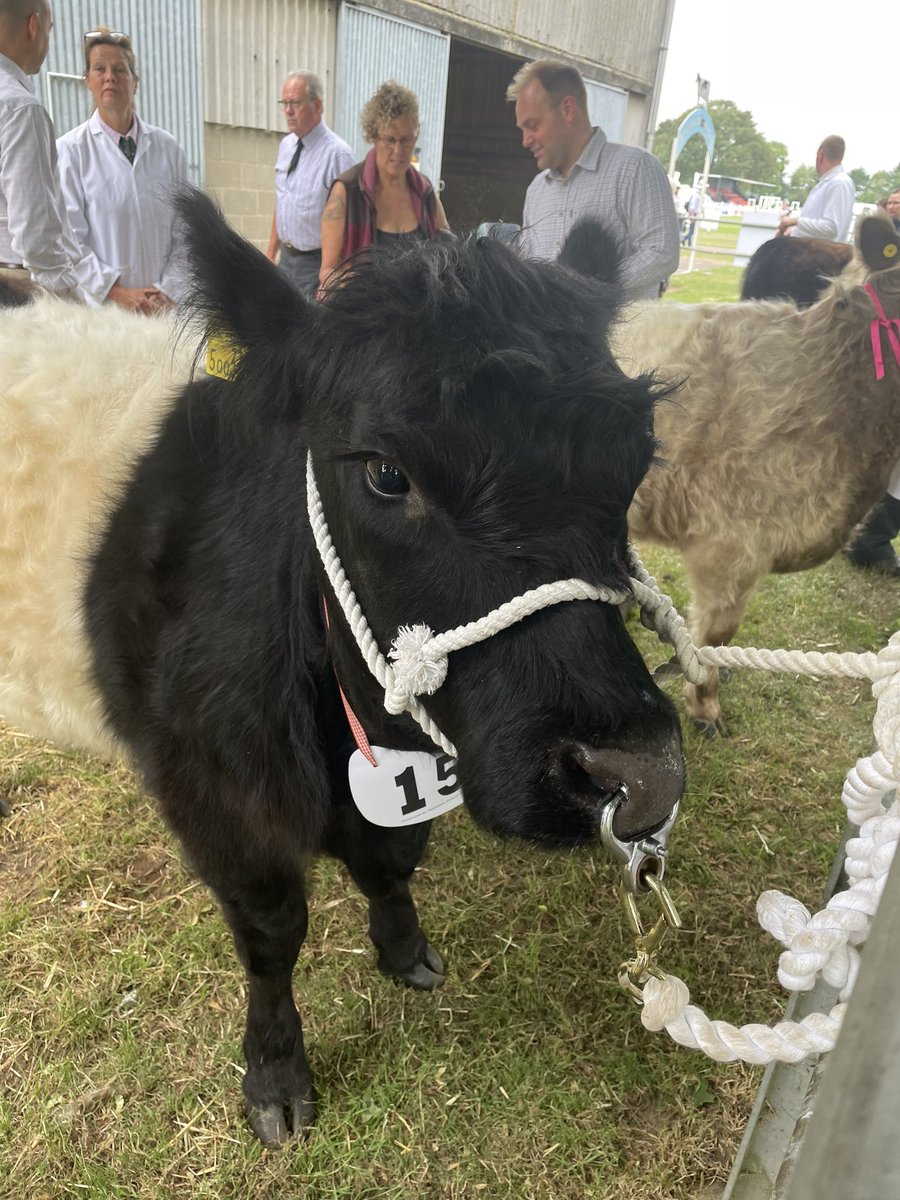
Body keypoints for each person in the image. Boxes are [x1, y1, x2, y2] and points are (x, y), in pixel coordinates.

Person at [507, 59, 679, 302]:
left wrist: (588, 295)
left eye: (533, 125)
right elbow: (530, 264)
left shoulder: (635, 168)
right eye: (522, 129)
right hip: (552, 337)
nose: (525, 140)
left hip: (623, 338)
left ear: (568, 109)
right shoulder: (536, 190)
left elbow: (662, 252)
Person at [56, 27, 187, 313]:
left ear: (135, 82)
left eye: (120, 69)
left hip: (164, 309)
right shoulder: (70, 152)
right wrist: (117, 292)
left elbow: (185, 234)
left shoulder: (169, 149)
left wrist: (167, 290)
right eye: (99, 69)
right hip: (107, 312)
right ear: (88, 81)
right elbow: (70, 243)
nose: (110, 77)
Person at [318, 80, 451, 294]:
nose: (398, 151)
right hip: (366, 315)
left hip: (418, 317)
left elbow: (449, 252)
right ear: (373, 136)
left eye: (406, 140)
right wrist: (354, 284)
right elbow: (327, 271)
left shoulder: (425, 193)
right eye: (390, 139)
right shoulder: (346, 193)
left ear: (415, 136)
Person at [0, 0, 82, 296]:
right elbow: (37, 243)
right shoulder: (19, 109)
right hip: (13, 295)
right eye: (49, 28)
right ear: (33, 26)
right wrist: (77, 308)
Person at [266, 70, 354, 298]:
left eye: (295, 103)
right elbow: (283, 201)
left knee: (310, 329)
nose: (288, 110)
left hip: (317, 265)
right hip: (286, 260)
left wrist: (332, 274)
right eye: (284, 103)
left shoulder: (337, 155)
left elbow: (352, 220)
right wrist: (270, 252)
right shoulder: (286, 146)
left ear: (317, 106)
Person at [777, 136, 855, 243]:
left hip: (821, 257)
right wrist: (794, 231)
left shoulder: (839, 183)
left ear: (820, 154)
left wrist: (794, 221)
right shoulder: (829, 183)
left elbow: (830, 228)